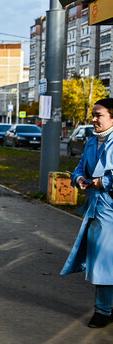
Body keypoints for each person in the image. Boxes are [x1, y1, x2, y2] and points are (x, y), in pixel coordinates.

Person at [62, 98, 113, 328]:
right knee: (102, 261)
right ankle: (105, 309)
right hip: (98, 210)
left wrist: (102, 181)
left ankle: (104, 310)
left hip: (108, 207)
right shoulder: (93, 142)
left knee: (104, 261)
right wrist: (80, 179)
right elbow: (80, 167)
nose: (94, 119)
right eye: (93, 114)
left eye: (99, 115)